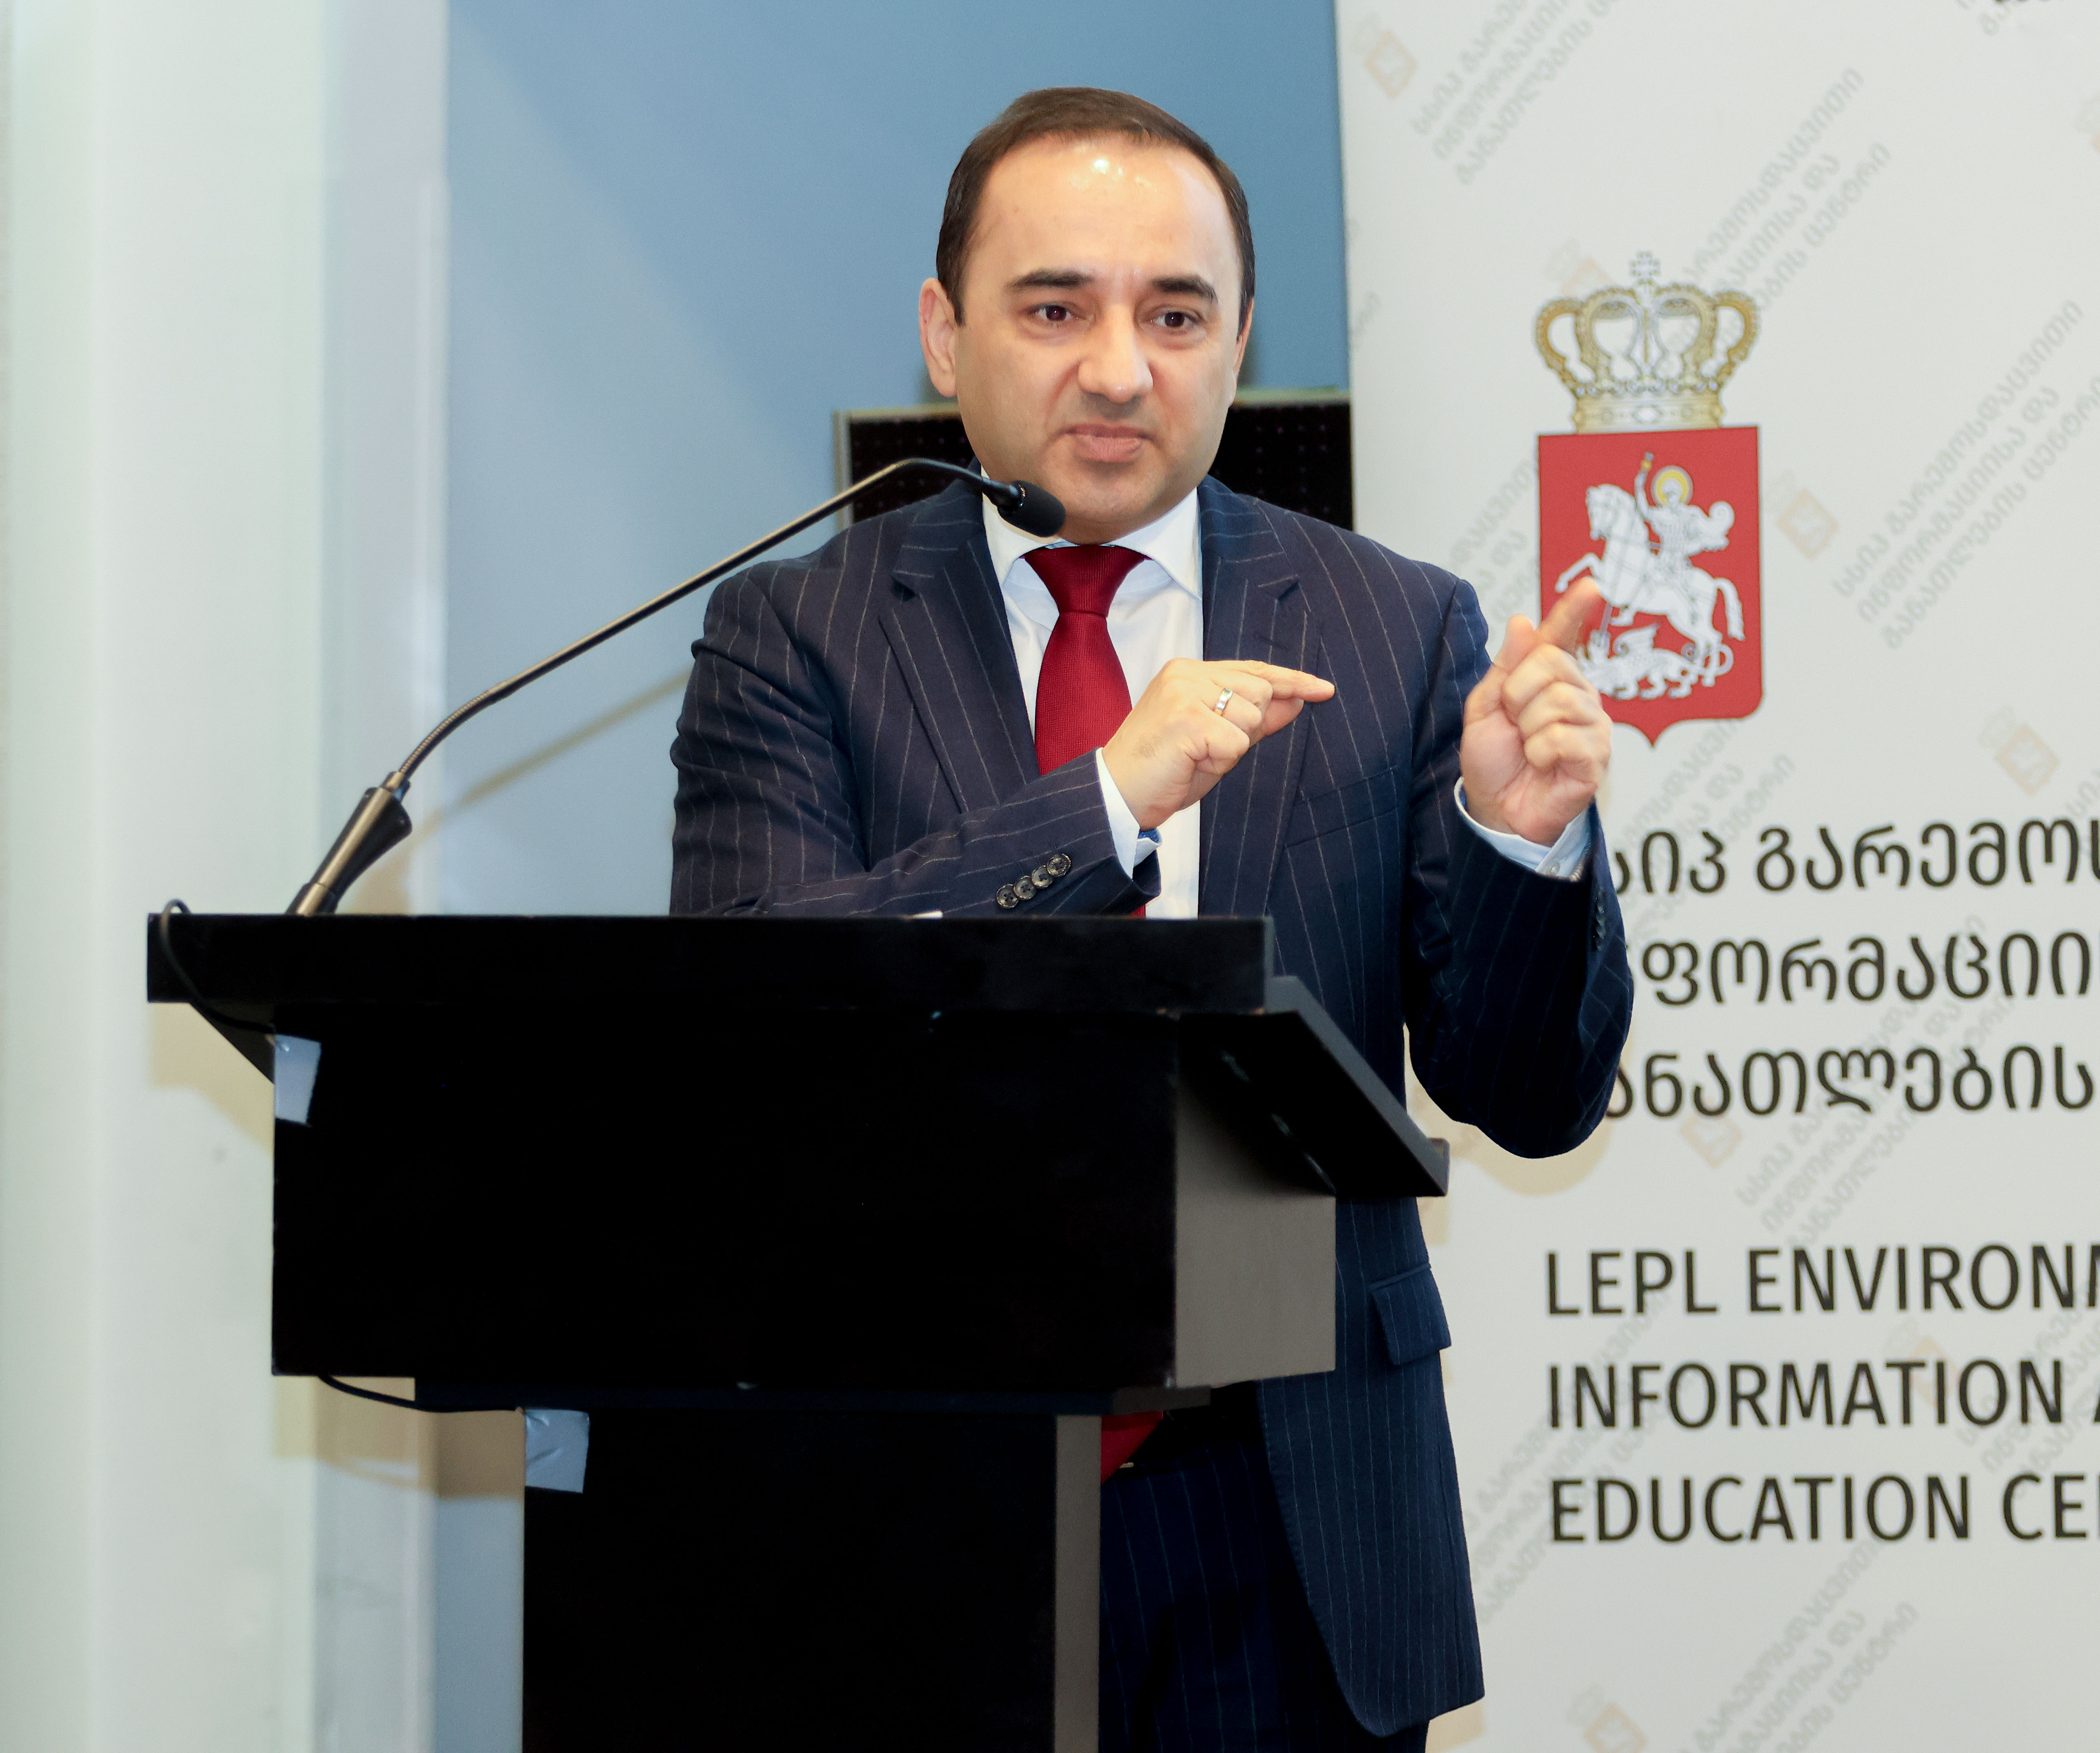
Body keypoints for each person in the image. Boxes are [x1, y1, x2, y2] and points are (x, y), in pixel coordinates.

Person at [669, 87, 1633, 1749]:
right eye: (1056, 309)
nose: (1119, 367)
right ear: (945, 334)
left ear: (1240, 341)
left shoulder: (1395, 627)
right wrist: (1105, 800)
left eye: (1176, 315)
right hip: (915, 1496)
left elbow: (1531, 1096)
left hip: (1285, 1505)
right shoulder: (796, 634)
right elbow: (763, 1022)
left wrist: (1518, 842)